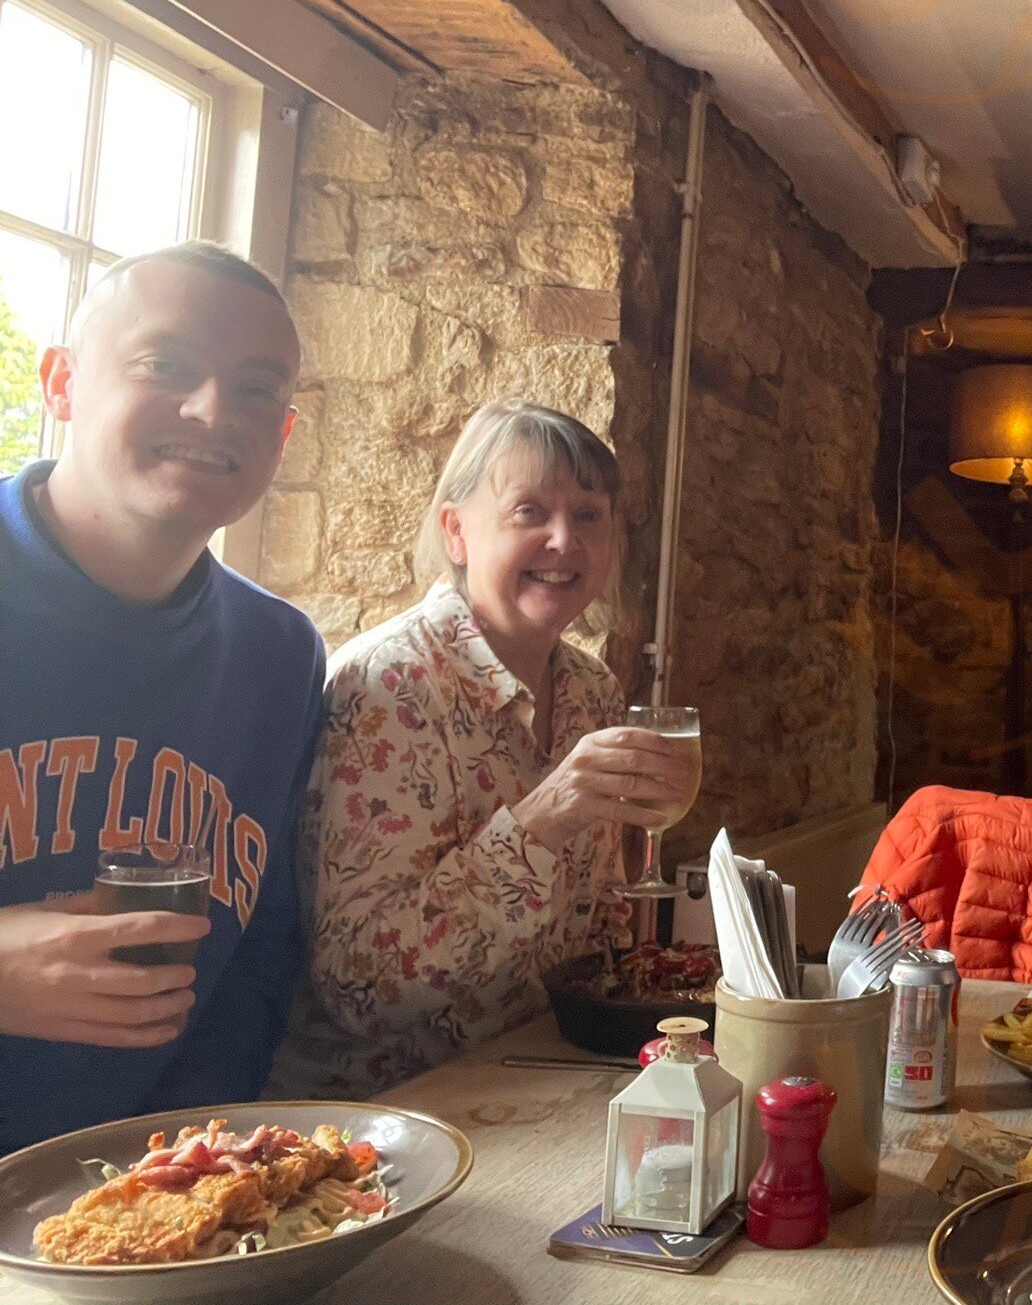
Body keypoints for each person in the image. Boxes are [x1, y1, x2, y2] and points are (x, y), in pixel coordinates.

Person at [273, 399, 697, 1096]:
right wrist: (541, 821)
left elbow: (594, 927)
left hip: (547, 1072)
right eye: (530, 512)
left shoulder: (591, 688)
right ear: (457, 531)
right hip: (394, 1108)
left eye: (589, 515)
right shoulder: (389, 684)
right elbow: (359, 987)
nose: (564, 540)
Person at [0, 241, 324, 1153]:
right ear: (62, 383)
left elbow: (258, 952)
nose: (213, 410)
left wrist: (179, 1166)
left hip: (142, 1200)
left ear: (282, 435)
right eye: (165, 365)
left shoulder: (279, 653)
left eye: (255, 388)